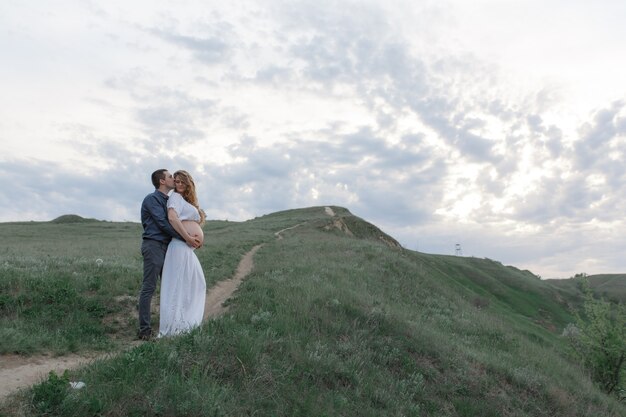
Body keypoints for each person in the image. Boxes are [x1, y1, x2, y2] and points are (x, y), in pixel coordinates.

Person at [138, 169, 201, 341]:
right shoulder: (152, 199)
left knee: (170, 285)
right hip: (154, 245)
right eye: (170, 177)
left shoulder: (169, 199)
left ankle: (172, 322)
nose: (173, 179)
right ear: (162, 181)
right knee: (149, 287)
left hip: (167, 247)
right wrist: (187, 238)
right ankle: (144, 330)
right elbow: (164, 224)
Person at [158, 170, 207, 337]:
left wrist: (193, 240)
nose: (178, 184)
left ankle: (185, 322)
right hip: (179, 246)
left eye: (182, 182)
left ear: (188, 184)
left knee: (194, 284)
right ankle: (175, 326)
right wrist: (188, 237)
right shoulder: (175, 197)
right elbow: (172, 218)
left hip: (185, 248)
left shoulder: (184, 200)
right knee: (179, 286)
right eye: (176, 181)